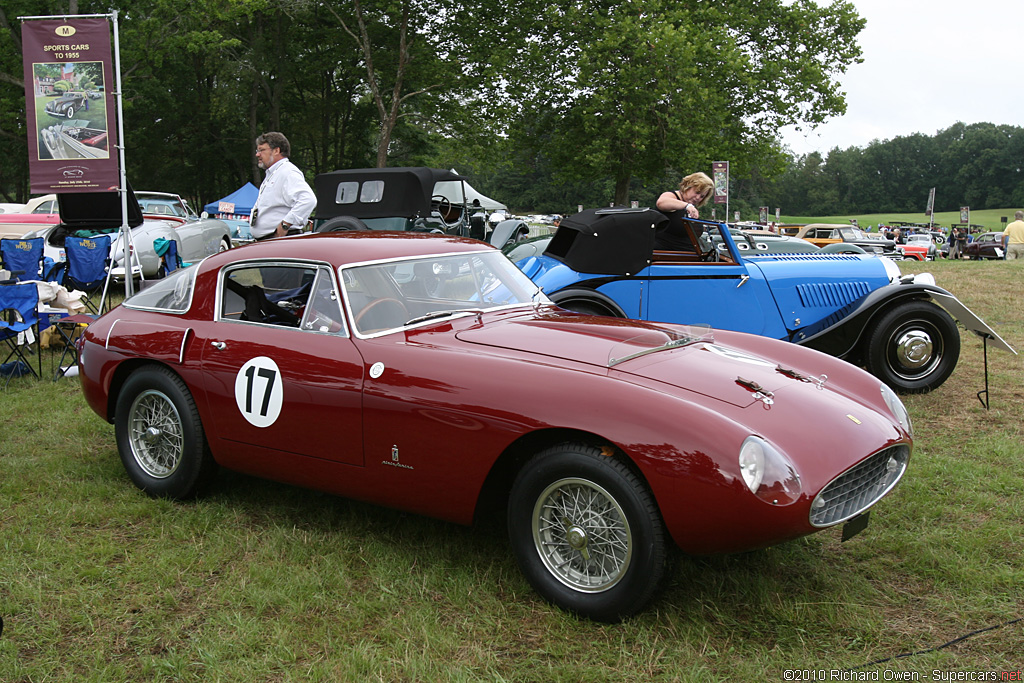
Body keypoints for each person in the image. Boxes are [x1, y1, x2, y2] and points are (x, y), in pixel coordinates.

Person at [250, 132, 316, 241]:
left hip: (280, 241)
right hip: (272, 241)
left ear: (276, 150)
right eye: (257, 151)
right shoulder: (274, 173)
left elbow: (308, 200)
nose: (257, 154)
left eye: (262, 150)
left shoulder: (287, 172)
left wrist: (285, 224)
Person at [654, 172, 715, 251]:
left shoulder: (692, 207)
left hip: (688, 256)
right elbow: (661, 202)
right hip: (666, 256)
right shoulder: (672, 196)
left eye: (702, 196)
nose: (698, 198)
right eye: (697, 192)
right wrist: (687, 206)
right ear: (688, 186)